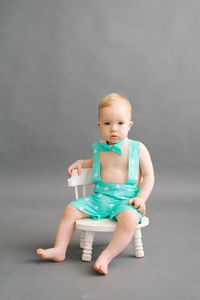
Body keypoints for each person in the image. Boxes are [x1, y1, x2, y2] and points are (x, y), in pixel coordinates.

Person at [36, 93, 155, 275]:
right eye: (107, 123)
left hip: (126, 200)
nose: (114, 129)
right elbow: (95, 162)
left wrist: (141, 197)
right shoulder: (100, 148)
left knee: (130, 219)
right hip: (100, 197)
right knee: (70, 210)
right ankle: (59, 249)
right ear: (99, 125)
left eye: (120, 123)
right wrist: (81, 163)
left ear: (129, 126)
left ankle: (107, 256)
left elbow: (149, 176)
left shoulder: (138, 148)